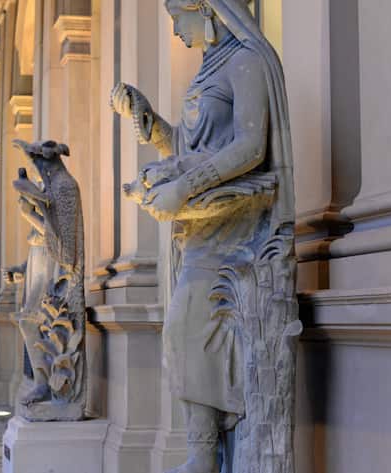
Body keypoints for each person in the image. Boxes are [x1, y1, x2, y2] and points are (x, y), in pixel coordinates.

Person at [111, 1, 295, 471]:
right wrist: (151, 122)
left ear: (207, 9)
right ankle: (203, 452)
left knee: (190, 327)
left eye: (178, 18)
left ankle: (204, 456)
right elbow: (192, 147)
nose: (176, 31)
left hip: (237, 225)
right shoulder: (208, 69)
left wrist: (185, 186)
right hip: (200, 226)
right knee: (184, 334)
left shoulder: (248, 60)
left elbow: (251, 147)